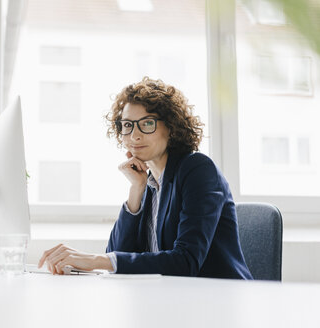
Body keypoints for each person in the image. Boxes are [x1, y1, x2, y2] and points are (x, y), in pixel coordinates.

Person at [38, 77, 253, 279]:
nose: (134, 135)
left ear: (171, 127)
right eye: (127, 125)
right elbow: (116, 254)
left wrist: (94, 260)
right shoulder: (149, 184)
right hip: (170, 300)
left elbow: (186, 262)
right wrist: (136, 191)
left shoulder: (197, 170)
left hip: (218, 302)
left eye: (147, 124)